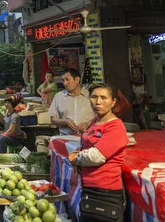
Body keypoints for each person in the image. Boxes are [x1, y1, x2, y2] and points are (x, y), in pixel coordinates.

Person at [69, 83, 128, 222]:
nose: (98, 101)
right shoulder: (95, 121)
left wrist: (76, 158)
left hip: (105, 191)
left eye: (104, 97)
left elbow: (96, 156)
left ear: (113, 102)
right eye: (94, 97)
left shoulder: (116, 127)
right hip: (88, 188)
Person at [49, 68, 96, 135]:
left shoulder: (90, 96)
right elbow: (52, 120)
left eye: (67, 79)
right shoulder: (59, 96)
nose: (65, 83)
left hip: (88, 138)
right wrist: (65, 121)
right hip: (65, 138)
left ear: (77, 80)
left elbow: (101, 117)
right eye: (63, 80)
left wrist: (88, 124)